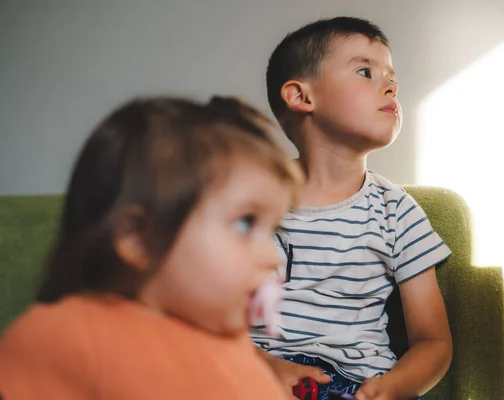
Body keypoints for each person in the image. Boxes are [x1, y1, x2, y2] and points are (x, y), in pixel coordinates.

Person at [0, 96, 300, 399]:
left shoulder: (227, 335)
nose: (270, 257)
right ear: (138, 237)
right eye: (245, 224)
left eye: (272, 229)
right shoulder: (67, 337)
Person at [251, 17, 453, 400]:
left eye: (392, 77)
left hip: (356, 384)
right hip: (252, 374)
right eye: (366, 71)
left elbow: (433, 341)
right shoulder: (246, 203)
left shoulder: (398, 212)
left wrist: (391, 388)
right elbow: (198, 318)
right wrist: (266, 367)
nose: (391, 86)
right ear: (301, 97)